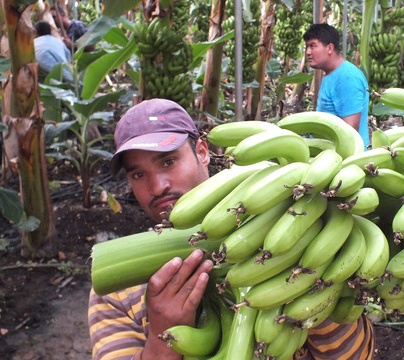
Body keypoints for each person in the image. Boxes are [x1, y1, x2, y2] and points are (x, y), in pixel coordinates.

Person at [88, 99, 375, 360]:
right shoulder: (117, 291)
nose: (157, 186)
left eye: (168, 161)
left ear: (202, 152)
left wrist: (312, 274)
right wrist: (162, 338)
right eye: (138, 174)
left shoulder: (285, 241)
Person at [304, 23, 370, 148]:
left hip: (347, 160)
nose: (308, 52)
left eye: (313, 46)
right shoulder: (331, 74)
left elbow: (349, 132)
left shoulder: (347, 77)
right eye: (306, 47)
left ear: (329, 48)